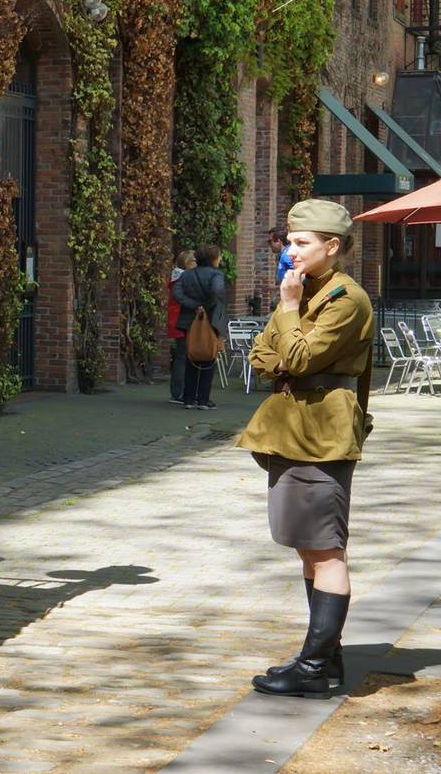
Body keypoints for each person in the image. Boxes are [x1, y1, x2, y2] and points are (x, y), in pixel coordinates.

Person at [239, 200, 372, 700]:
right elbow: (262, 353)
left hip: (321, 436)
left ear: (331, 246)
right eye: (290, 242)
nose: (289, 250)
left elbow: (294, 354)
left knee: (326, 550)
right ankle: (326, 657)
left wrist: (290, 310)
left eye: (301, 243)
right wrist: (289, 320)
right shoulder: (305, 289)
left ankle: (315, 667)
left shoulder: (345, 299)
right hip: (292, 433)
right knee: (306, 547)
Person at [173, 244, 227, 410]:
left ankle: (188, 398)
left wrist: (194, 305)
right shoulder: (216, 274)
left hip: (188, 321)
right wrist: (205, 305)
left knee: (190, 358)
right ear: (213, 259)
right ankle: (203, 399)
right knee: (208, 359)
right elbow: (218, 291)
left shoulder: (186, 275)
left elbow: (176, 293)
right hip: (210, 322)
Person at [167, 249, 197, 405]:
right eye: (194, 262)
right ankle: (178, 392)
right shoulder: (182, 279)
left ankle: (180, 391)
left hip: (178, 319)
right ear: (187, 263)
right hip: (181, 320)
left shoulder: (178, 277)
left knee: (182, 355)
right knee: (182, 356)